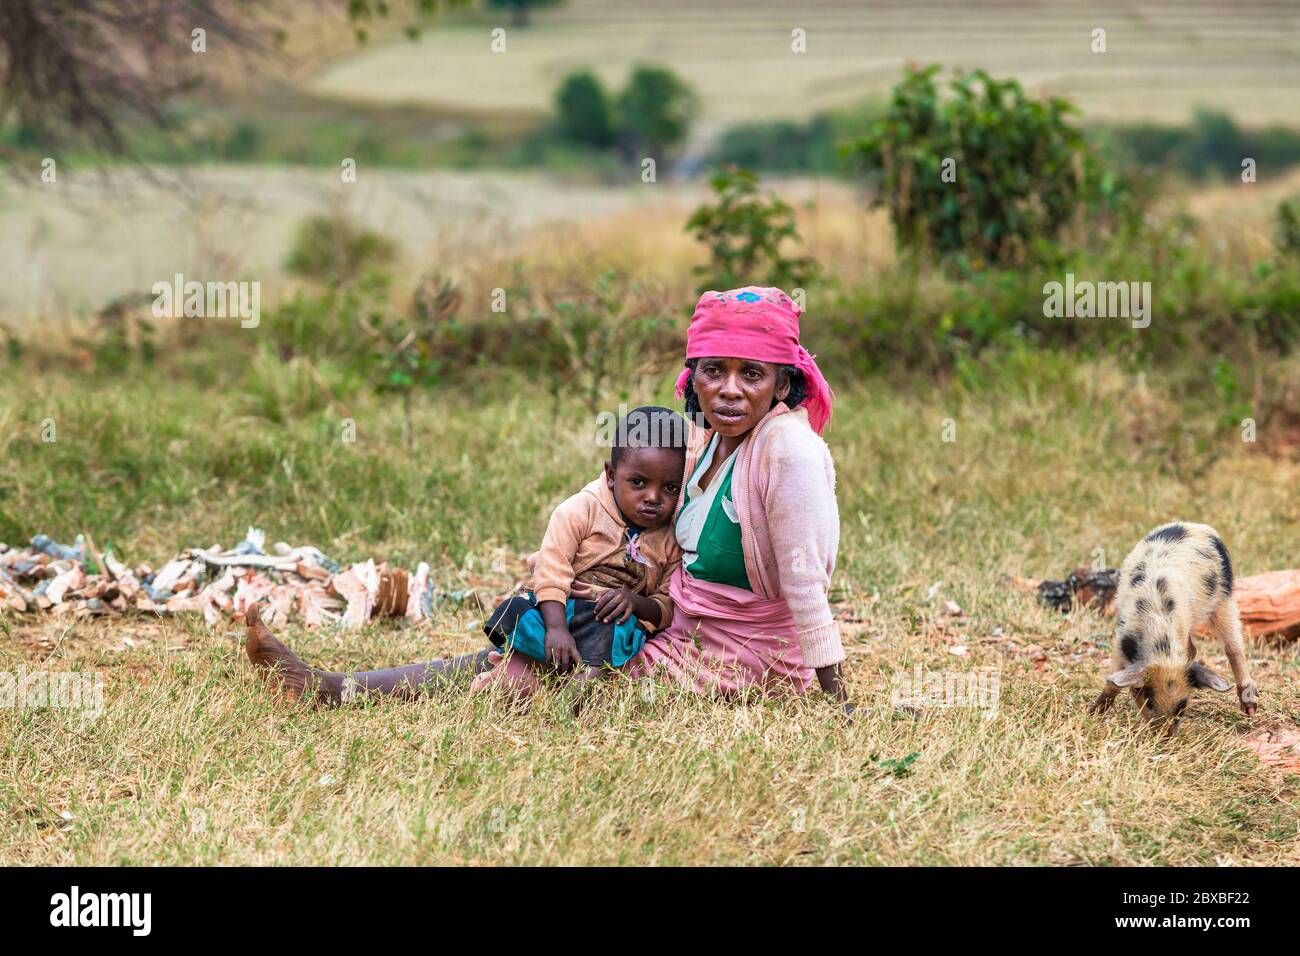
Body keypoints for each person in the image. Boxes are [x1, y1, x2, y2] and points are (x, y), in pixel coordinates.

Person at [244, 406, 685, 703]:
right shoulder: (582, 510)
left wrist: (638, 602)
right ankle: (331, 688)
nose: (653, 499)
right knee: (504, 638)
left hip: (612, 638)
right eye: (638, 483)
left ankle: (335, 689)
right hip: (557, 618)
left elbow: (668, 603)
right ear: (611, 476)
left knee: (502, 679)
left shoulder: (669, 536)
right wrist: (554, 626)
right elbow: (550, 570)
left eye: (669, 488)